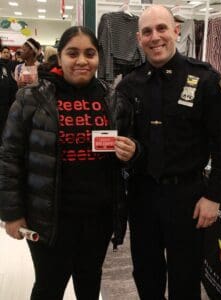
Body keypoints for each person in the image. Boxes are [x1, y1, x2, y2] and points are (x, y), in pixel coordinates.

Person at [0, 26, 135, 300]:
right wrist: (12, 214)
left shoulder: (112, 99)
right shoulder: (32, 98)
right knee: (49, 286)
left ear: (99, 57)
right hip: (49, 219)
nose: (82, 61)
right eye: (72, 53)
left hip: (98, 218)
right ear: (59, 57)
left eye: (90, 53)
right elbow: (9, 157)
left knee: (89, 283)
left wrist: (132, 151)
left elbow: (128, 149)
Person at [116, 5, 221, 300]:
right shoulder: (129, 85)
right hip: (142, 196)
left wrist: (214, 195)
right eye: (147, 31)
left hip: (189, 198)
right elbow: (125, 138)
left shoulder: (205, 80)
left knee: (186, 278)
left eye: (162, 28)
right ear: (139, 38)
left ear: (176, 31)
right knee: (146, 273)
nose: (155, 37)